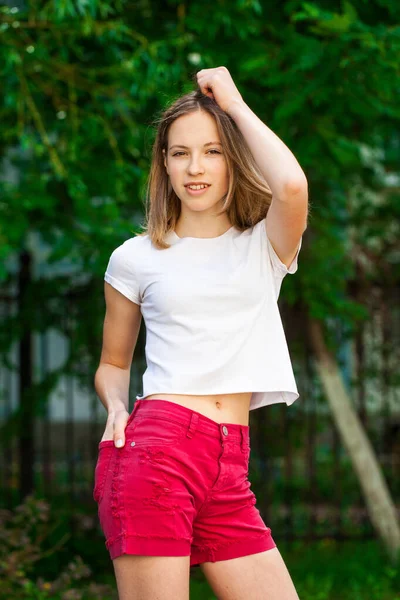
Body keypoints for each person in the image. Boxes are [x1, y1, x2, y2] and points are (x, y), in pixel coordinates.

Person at [93, 67, 307, 600]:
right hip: (156, 448)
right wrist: (116, 407)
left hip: (230, 464)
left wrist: (231, 101)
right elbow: (114, 363)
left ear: (232, 158)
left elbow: (292, 184)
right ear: (163, 164)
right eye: (179, 152)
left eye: (211, 151)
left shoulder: (263, 246)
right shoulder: (134, 258)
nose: (195, 167)